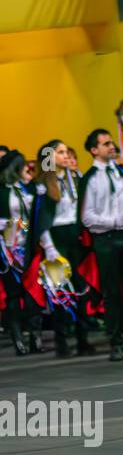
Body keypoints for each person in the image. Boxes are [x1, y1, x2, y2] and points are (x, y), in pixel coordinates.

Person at [80, 129, 123, 361]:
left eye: (112, 143)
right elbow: (87, 217)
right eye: (106, 143)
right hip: (105, 239)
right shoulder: (90, 179)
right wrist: (115, 221)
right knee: (112, 293)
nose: (112, 147)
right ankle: (116, 341)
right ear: (94, 150)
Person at [38, 139, 94, 357]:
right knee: (61, 291)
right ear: (50, 158)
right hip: (55, 237)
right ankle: (62, 342)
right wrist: (49, 247)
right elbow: (40, 220)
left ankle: (83, 339)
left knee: (81, 290)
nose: (65, 156)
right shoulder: (43, 184)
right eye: (60, 152)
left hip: (74, 236)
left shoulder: (75, 179)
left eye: (65, 152)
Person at [0, 149, 51, 354]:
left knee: (34, 293)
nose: (27, 170)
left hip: (30, 247)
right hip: (7, 249)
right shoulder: (2, 191)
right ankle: (18, 338)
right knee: (13, 296)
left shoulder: (29, 189)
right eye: (24, 167)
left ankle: (36, 336)